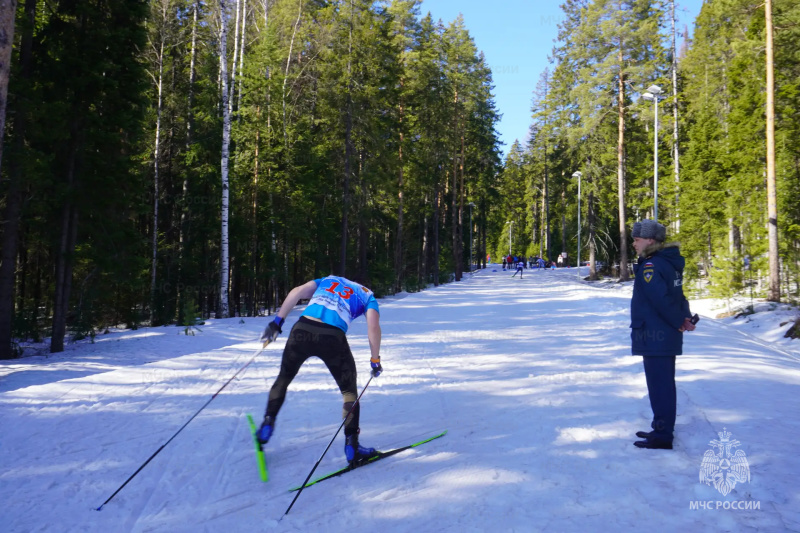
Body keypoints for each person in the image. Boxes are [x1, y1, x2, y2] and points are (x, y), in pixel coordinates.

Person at [256, 275, 383, 466]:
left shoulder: (329, 279)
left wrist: (277, 322)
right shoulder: (367, 295)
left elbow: (297, 292)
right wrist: (375, 360)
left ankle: (268, 421)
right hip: (332, 336)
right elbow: (373, 327)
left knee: (284, 378)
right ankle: (352, 446)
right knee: (349, 392)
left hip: (302, 329)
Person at [630, 219, 696, 450]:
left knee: (660, 386)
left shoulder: (652, 266)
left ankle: (663, 434)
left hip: (656, 334)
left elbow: (662, 299)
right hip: (662, 333)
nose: (634, 244)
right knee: (663, 384)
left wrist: (680, 320)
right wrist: (684, 318)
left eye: (637, 239)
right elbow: (679, 296)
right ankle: (661, 428)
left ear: (650, 240)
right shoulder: (667, 263)